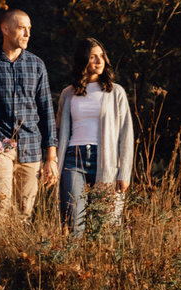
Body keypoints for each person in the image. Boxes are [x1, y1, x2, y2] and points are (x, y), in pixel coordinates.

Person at [0, 8, 58, 220]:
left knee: (24, 212)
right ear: (5, 29)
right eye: (21, 28)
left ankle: (16, 253)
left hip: (31, 148)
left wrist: (51, 157)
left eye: (29, 29)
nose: (28, 34)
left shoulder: (37, 65)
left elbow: (46, 110)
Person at [55, 37, 134, 233]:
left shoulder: (116, 92)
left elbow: (126, 134)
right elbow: (58, 132)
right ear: (83, 61)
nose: (99, 61)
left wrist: (124, 173)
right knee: (74, 225)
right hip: (73, 160)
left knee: (103, 225)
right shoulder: (68, 94)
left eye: (101, 56)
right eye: (92, 57)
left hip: (105, 161)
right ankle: (72, 264)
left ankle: (96, 263)